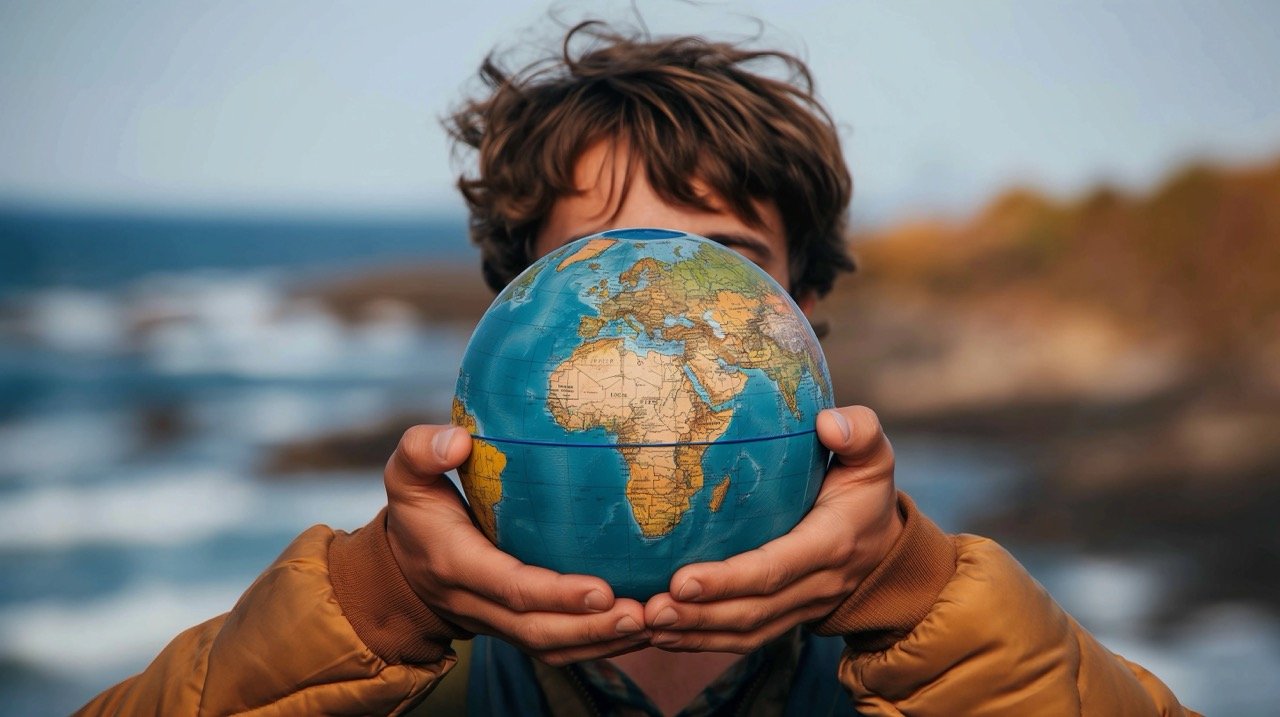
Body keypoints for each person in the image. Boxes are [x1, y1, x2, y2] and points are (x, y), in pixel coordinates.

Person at [77, 22, 1199, 716]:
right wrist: (380, 602)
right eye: (599, 270)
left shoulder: (912, 683)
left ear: (804, 317)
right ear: (511, 321)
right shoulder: (399, 678)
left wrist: (908, 595)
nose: (663, 316)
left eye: (724, 269)